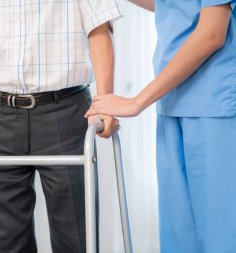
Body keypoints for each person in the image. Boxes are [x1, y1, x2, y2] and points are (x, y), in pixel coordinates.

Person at [0, 0, 122, 252]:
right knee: (3, 242)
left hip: (65, 112)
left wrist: (104, 101)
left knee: (76, 238)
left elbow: (99, 27)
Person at [86, 1, 236, 252]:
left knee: (221, 237)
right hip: (173, 103)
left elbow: (212, 32)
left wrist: (137, 102)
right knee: (178, 238)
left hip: (214, 107)